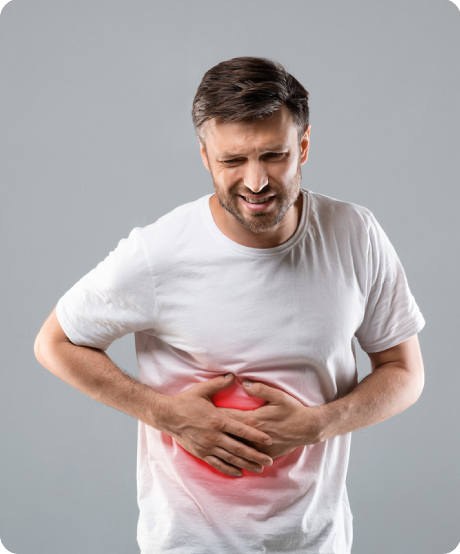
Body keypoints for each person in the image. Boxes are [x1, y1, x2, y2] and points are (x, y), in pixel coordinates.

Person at [34, 57, 425, 554]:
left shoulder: (355, 234)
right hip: (189, 544)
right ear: (205, 157)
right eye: (233, 161)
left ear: (303, 146)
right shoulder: (160, 253)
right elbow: (54, 342)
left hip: (318, 543)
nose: (256, 181)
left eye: (274, 156)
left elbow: (404, 371)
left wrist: (318, 423)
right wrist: (166, 415)